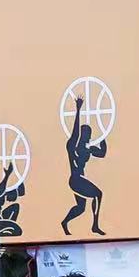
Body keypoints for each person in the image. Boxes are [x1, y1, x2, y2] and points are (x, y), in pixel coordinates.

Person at [60, 98, 107, 237]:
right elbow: (75, 132)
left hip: (79, 180)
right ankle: (95, 226)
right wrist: (78, 109)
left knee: (81, 208)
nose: (88, 137)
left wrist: (103, 135)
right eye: (86, 135)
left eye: (89, 135)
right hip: (76, 179)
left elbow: (102, 153)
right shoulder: (72, 146)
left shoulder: (88, 149)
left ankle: (65, 222)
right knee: (98, 194)